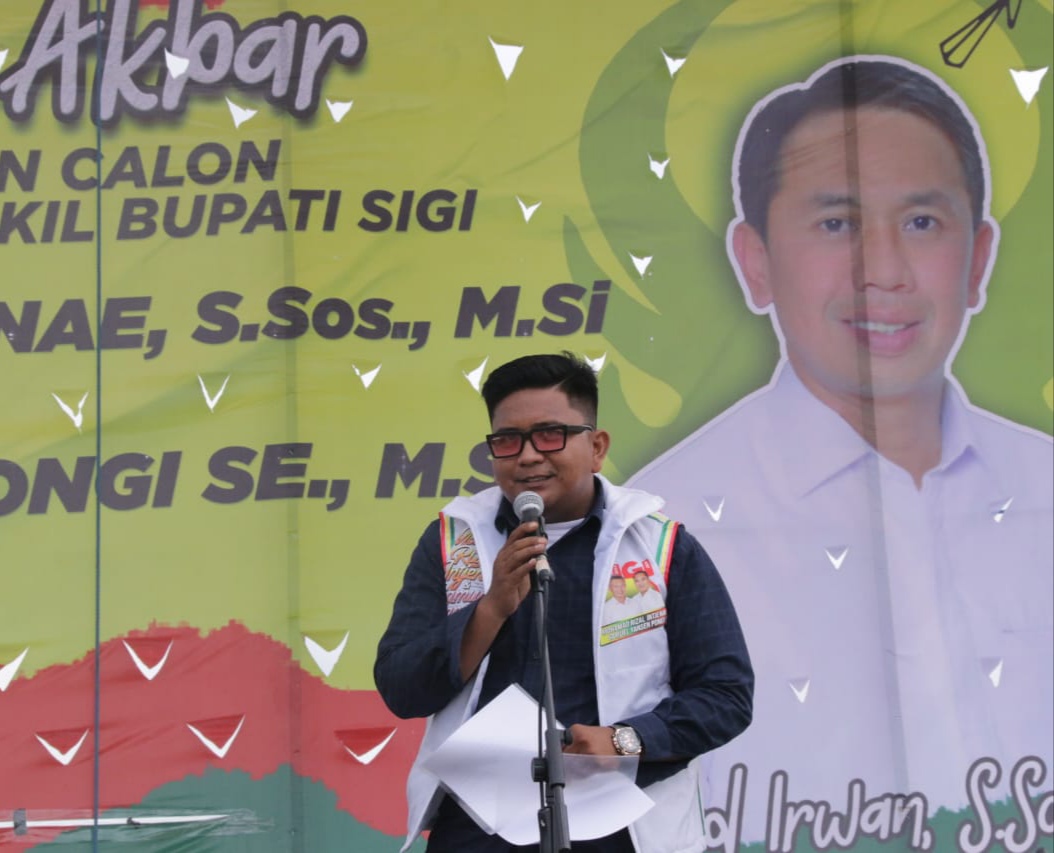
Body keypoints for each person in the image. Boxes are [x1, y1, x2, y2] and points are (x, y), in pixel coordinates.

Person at [628, 56, 1053, 846]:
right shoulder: (658, 529)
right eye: (836, 223)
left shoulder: (1045, 487)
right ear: (756, 262)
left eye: (921, 222)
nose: (883, 272)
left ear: (979, 259)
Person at [375, 352, 753, 852]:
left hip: (625, 831)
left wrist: (623, 740)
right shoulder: (454, 542)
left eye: (550, 435)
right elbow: (402, 688)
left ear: (596, 447)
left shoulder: (660, 546)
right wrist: (490, 610)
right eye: (507, 441)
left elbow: (726, 695)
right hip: (479, 832)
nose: (528, 456)